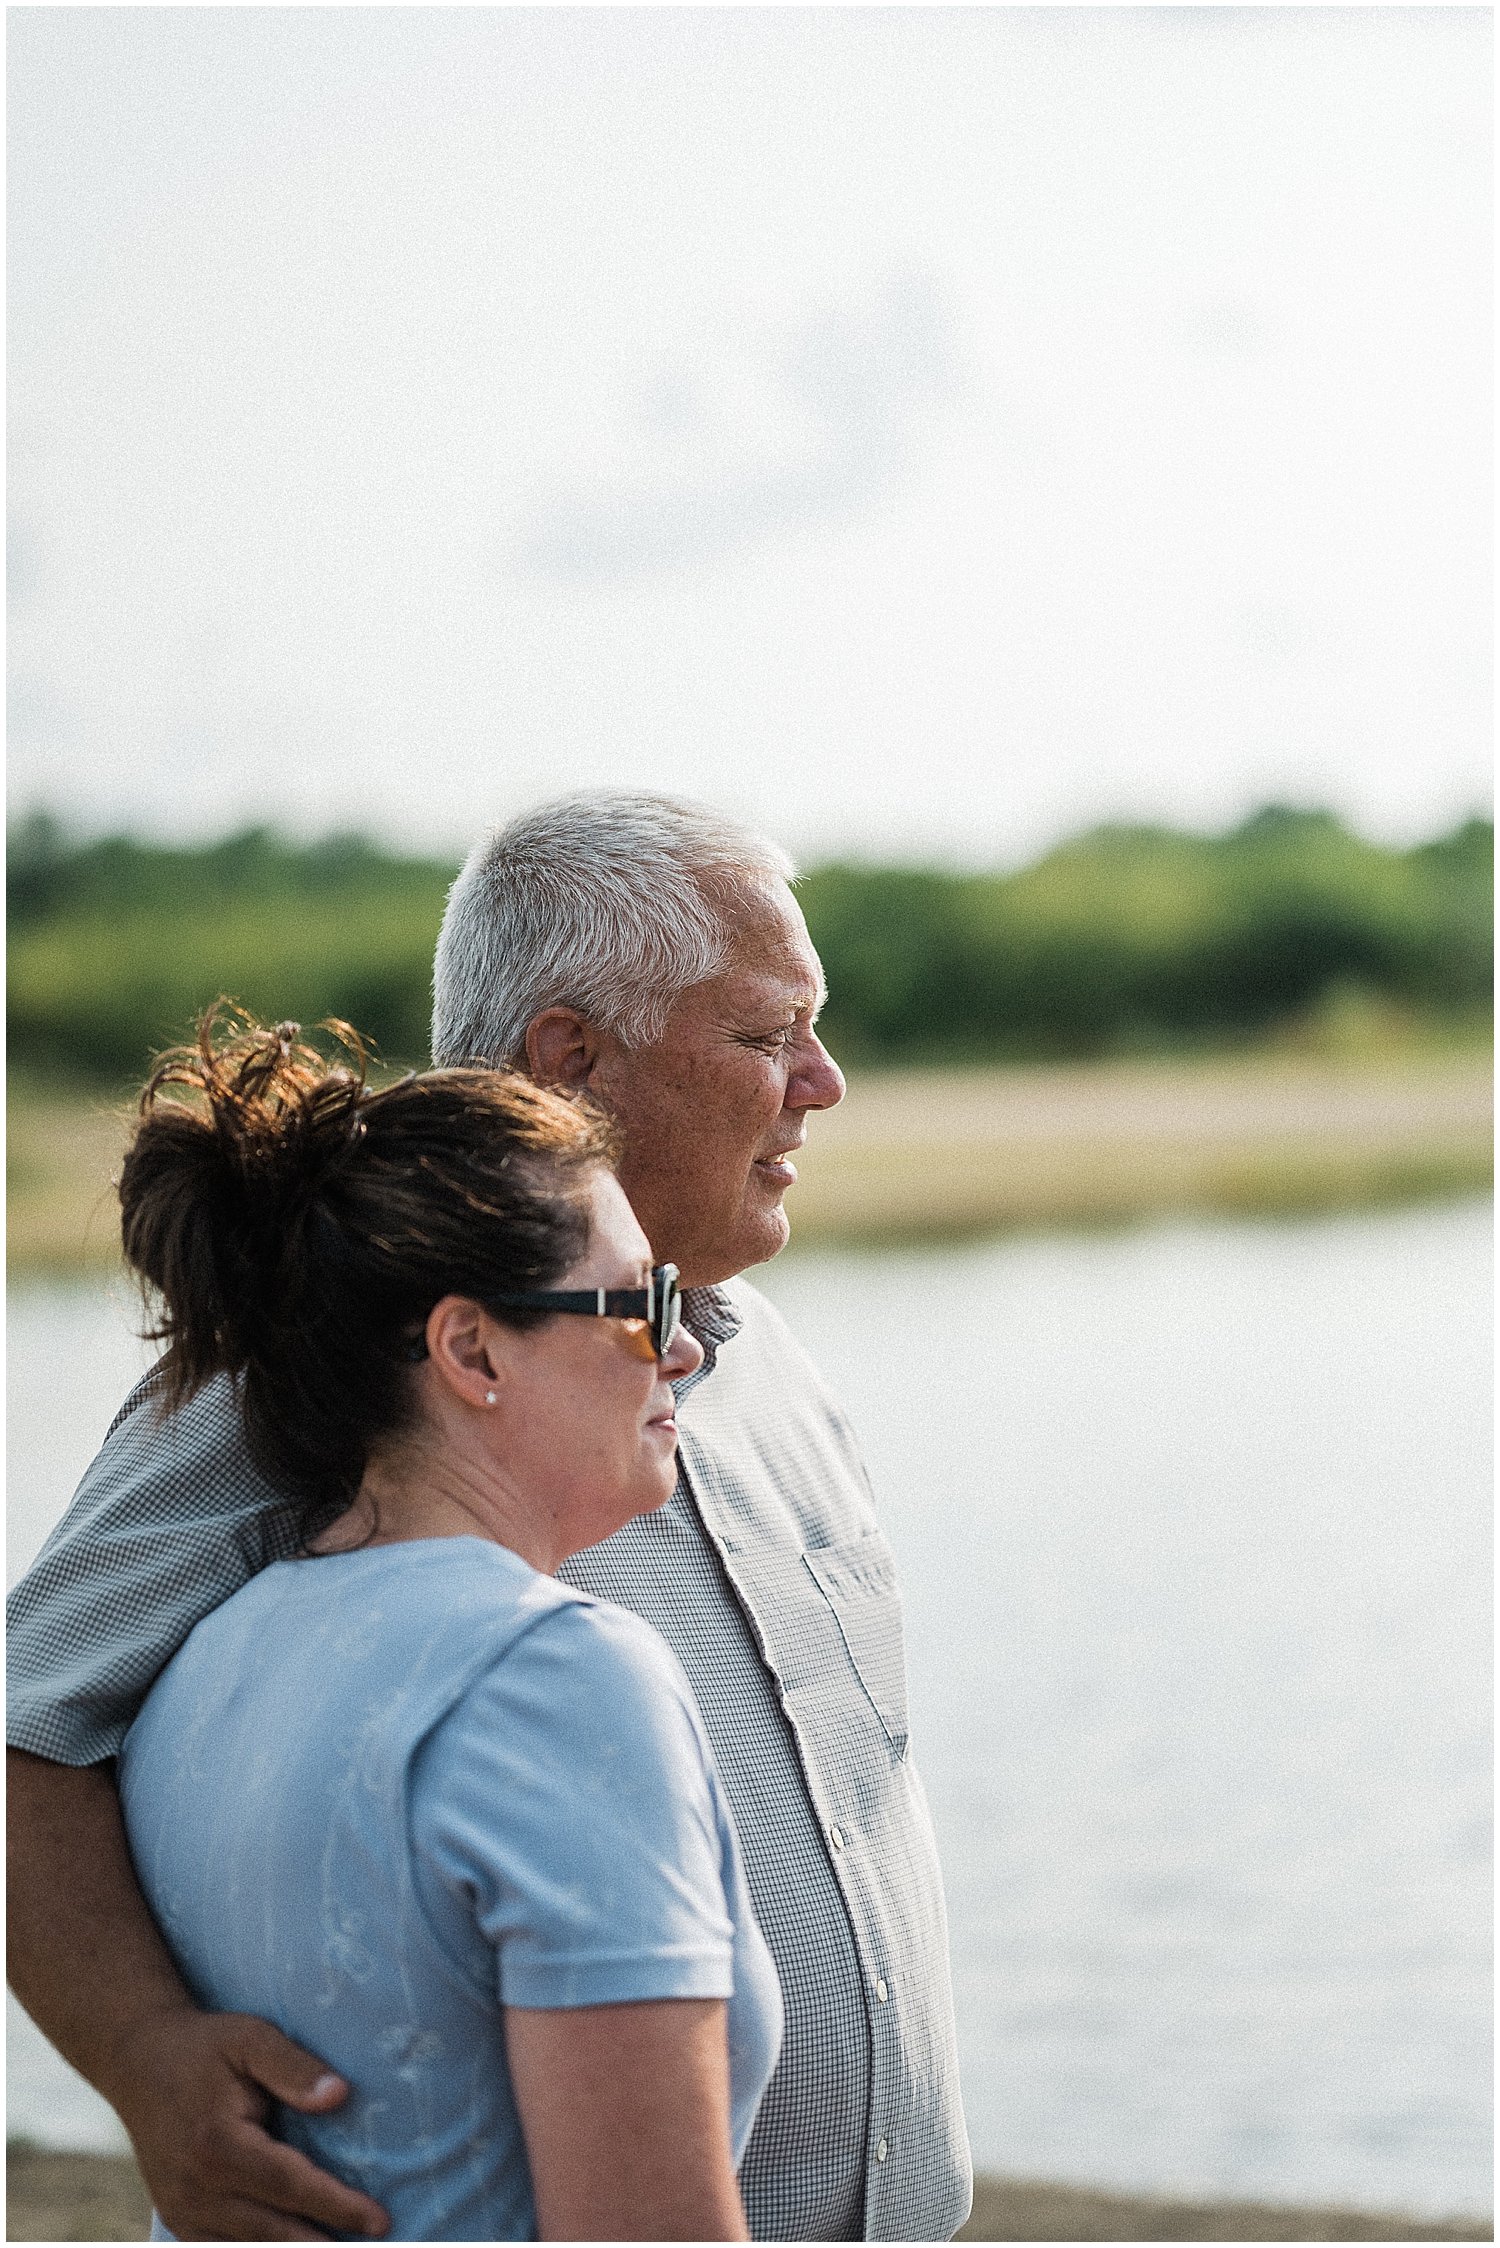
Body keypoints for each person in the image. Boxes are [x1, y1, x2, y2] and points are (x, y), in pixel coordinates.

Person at [8, 791, 973, 2244]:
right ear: (573, 1058)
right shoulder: (325, 1366)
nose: (822, 1082)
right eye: (767, 1035)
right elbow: (26, 1727)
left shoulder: (769, 1358)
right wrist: (147, 2059)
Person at [110, 1012, 781, 2241]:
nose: (681, 1348)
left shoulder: (206, 1656)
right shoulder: (557, 1676)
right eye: (640, 1300)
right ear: (471, 1347)